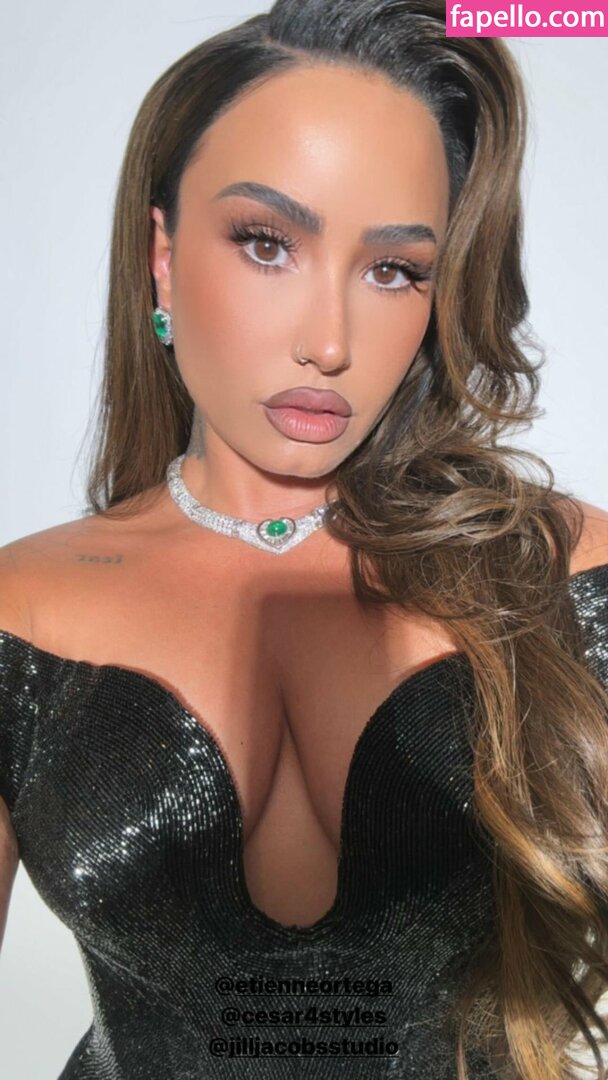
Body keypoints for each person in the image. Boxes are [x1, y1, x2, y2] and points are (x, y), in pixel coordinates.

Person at [1, 0, 607, 1077]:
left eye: (393, 270)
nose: (329, 342)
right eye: (266, 243)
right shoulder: (20, 610)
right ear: (161, 256)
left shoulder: (558, 576)